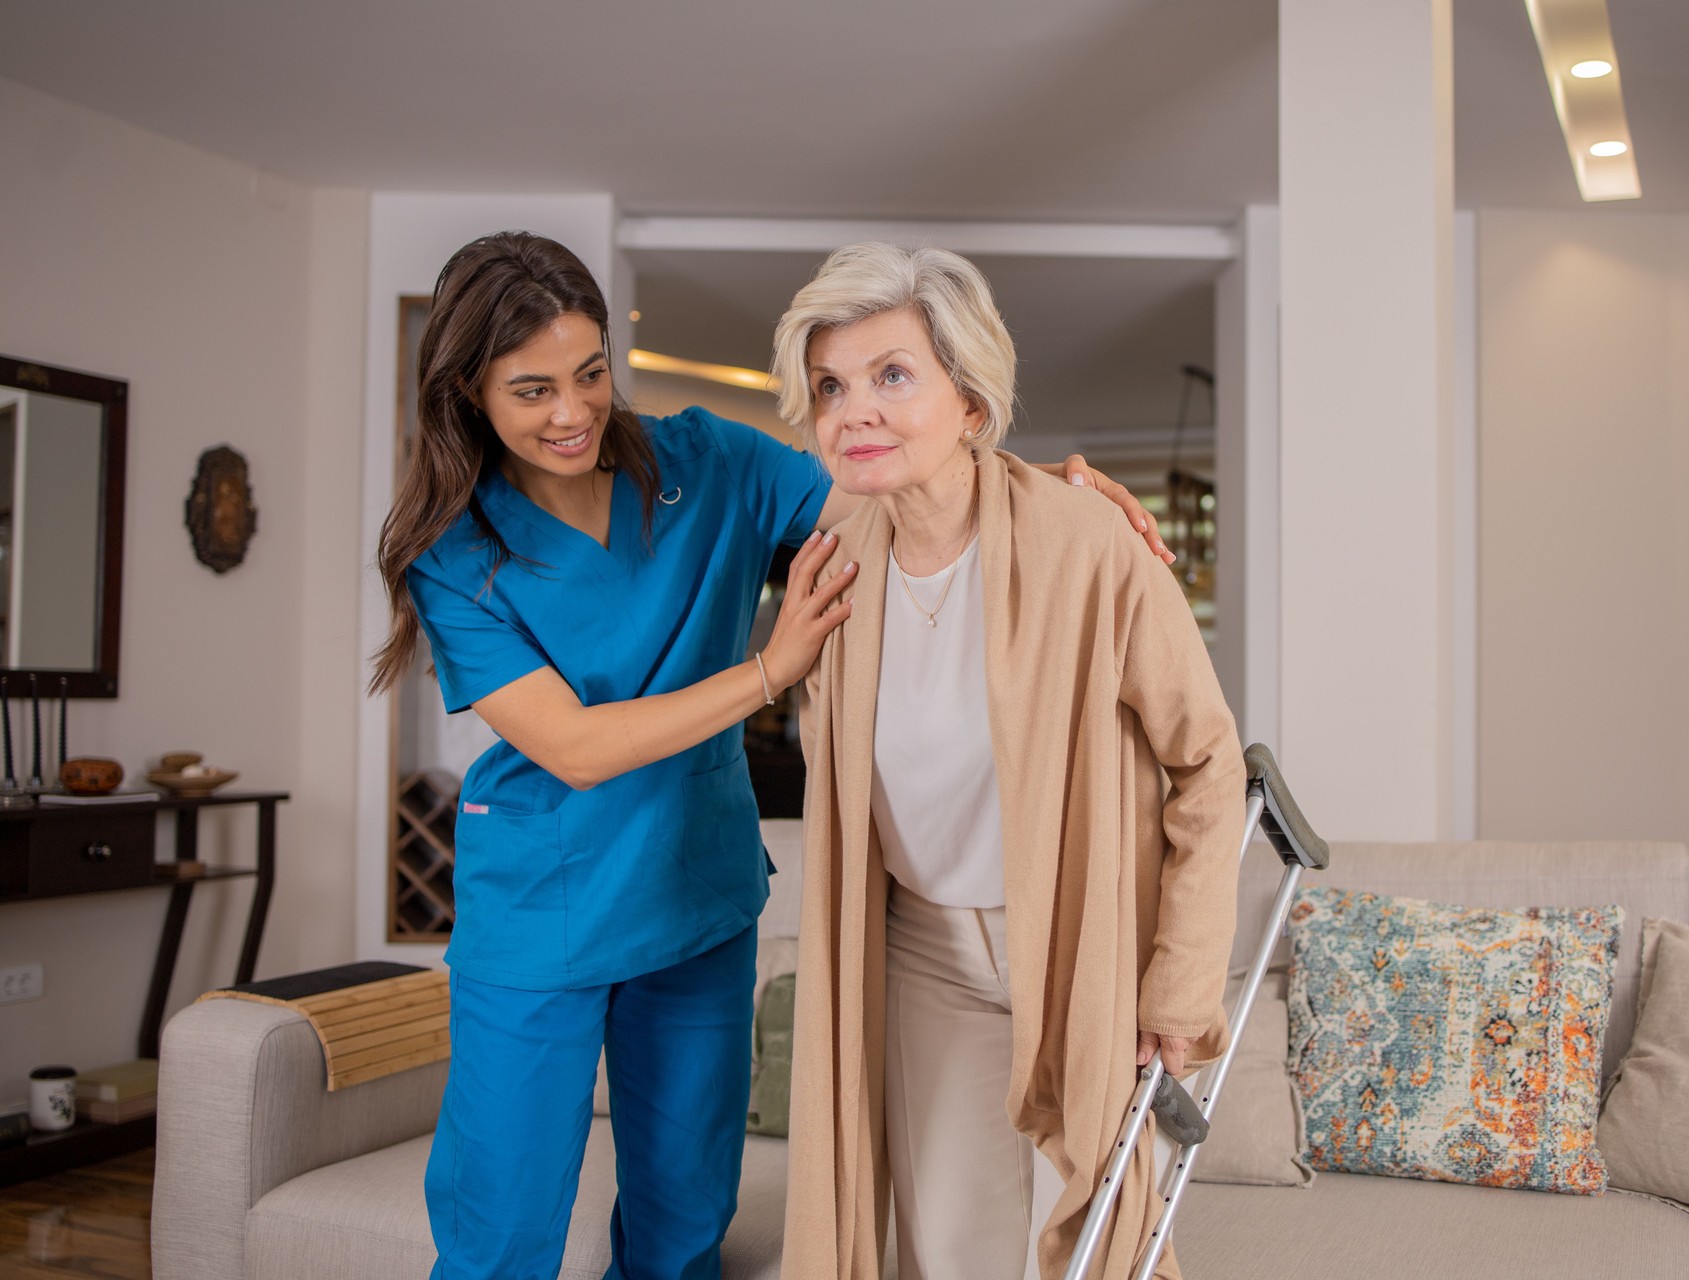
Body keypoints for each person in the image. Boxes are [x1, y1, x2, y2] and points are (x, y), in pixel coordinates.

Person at [370, 230, 1170, 1280]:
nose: (571, 412)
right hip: (540, 914)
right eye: (530, 391)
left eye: (591, 373)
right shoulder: (454, 549)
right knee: (501, 1233)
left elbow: (900, 494)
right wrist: (768, 668)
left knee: (682, 1219)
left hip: (693, 903)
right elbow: (570, 745)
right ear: (471, 394)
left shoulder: (709, 462)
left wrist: (1050, 503)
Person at [772, 242, 1245, 1280]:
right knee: (950, 1250)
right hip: (925, 952)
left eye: (892, 375)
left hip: (1078, 946)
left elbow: (1210, 764)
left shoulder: (1089, 543)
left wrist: (1179, 983)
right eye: (830, 386)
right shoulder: (835, 547)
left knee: (1097, 1247)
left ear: (972, 403)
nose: (855, 408)